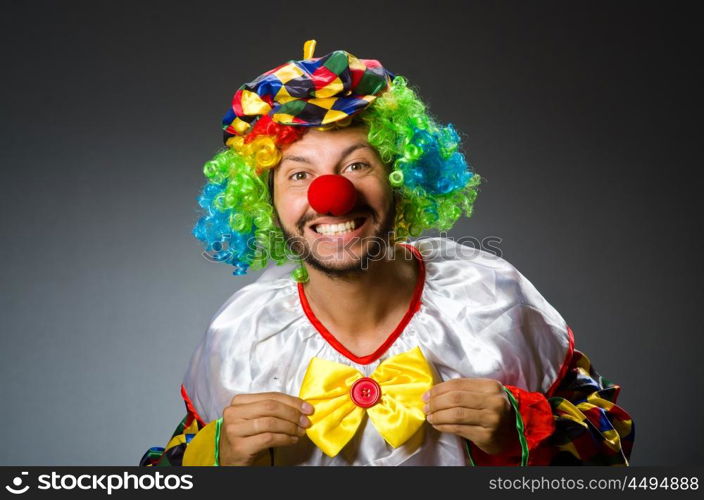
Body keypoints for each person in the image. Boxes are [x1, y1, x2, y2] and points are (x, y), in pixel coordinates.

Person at [139, 40, 634, 466]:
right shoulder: (243, 334)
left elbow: (612, 442)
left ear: (403, 182)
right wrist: (216, 454)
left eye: (356, 165)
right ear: (264, 202)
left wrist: (521, 428)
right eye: (298, 174)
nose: (330, 194)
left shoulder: (490, 298)